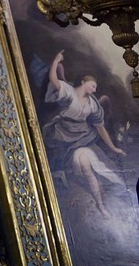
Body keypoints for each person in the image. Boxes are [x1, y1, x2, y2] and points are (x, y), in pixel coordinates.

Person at [43, 51, 127, 216]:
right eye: (93, 86)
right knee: (71, 170)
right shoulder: (68, 92)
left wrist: (113, 147)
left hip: (82, 140)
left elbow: (100, 127)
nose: (95, 90)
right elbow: (54, 80)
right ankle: (99, 202)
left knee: (89, 168)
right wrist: (56, 60)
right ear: (84, 82)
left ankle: (101, 206)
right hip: (62, 138)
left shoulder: (93, 104)